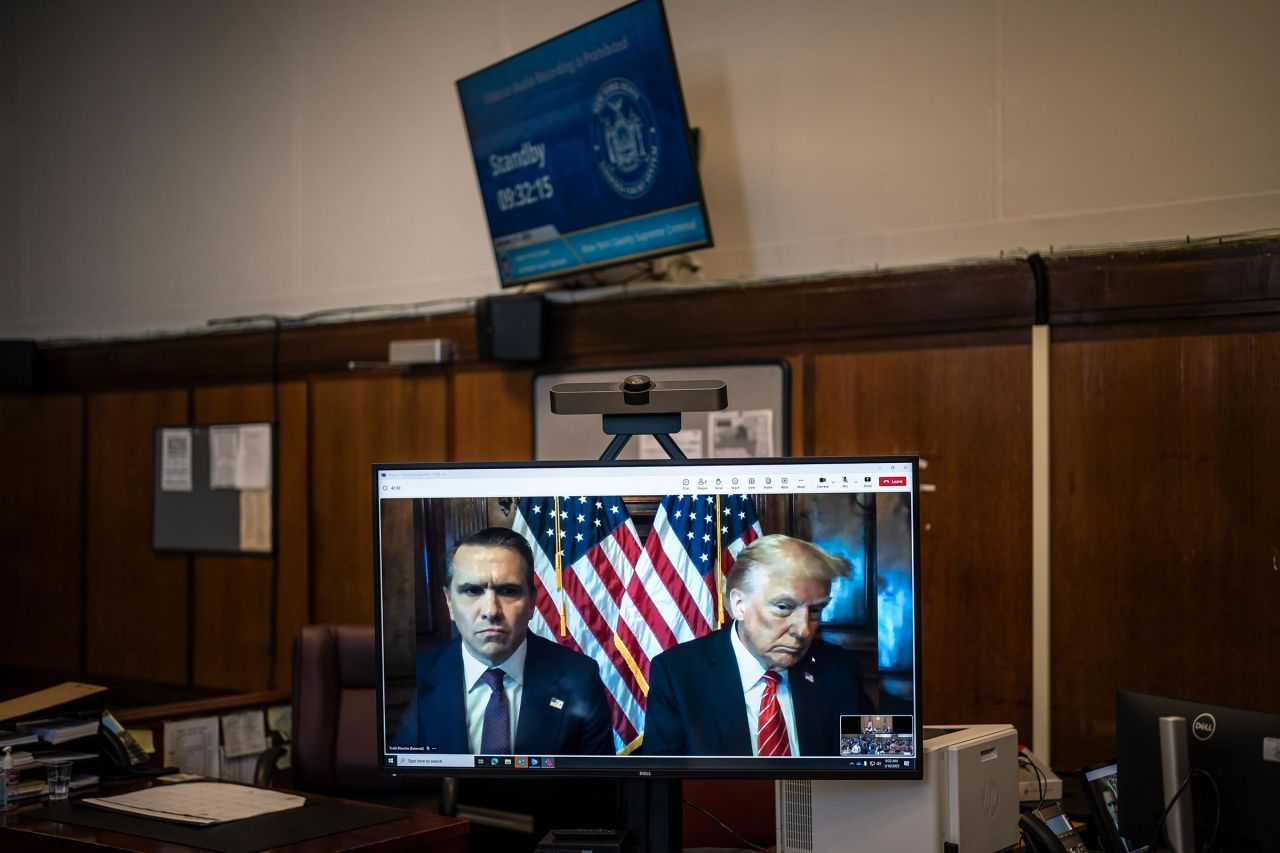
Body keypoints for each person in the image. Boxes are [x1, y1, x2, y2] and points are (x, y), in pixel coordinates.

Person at [641, 534, 872, 756]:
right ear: (739, 604)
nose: (803, 630)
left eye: (815, 610)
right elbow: (664, 784)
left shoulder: (840, 669)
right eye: (784, 607)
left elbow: (877, 762)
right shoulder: (678, 674)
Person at [393, 527, 614, 755]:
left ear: (532, 603)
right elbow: (404, 781)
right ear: (449, 602)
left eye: (508, 591)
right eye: (472, 591)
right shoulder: (418, 676)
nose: (491, 611)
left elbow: (596, 786)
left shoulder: (580, 678)